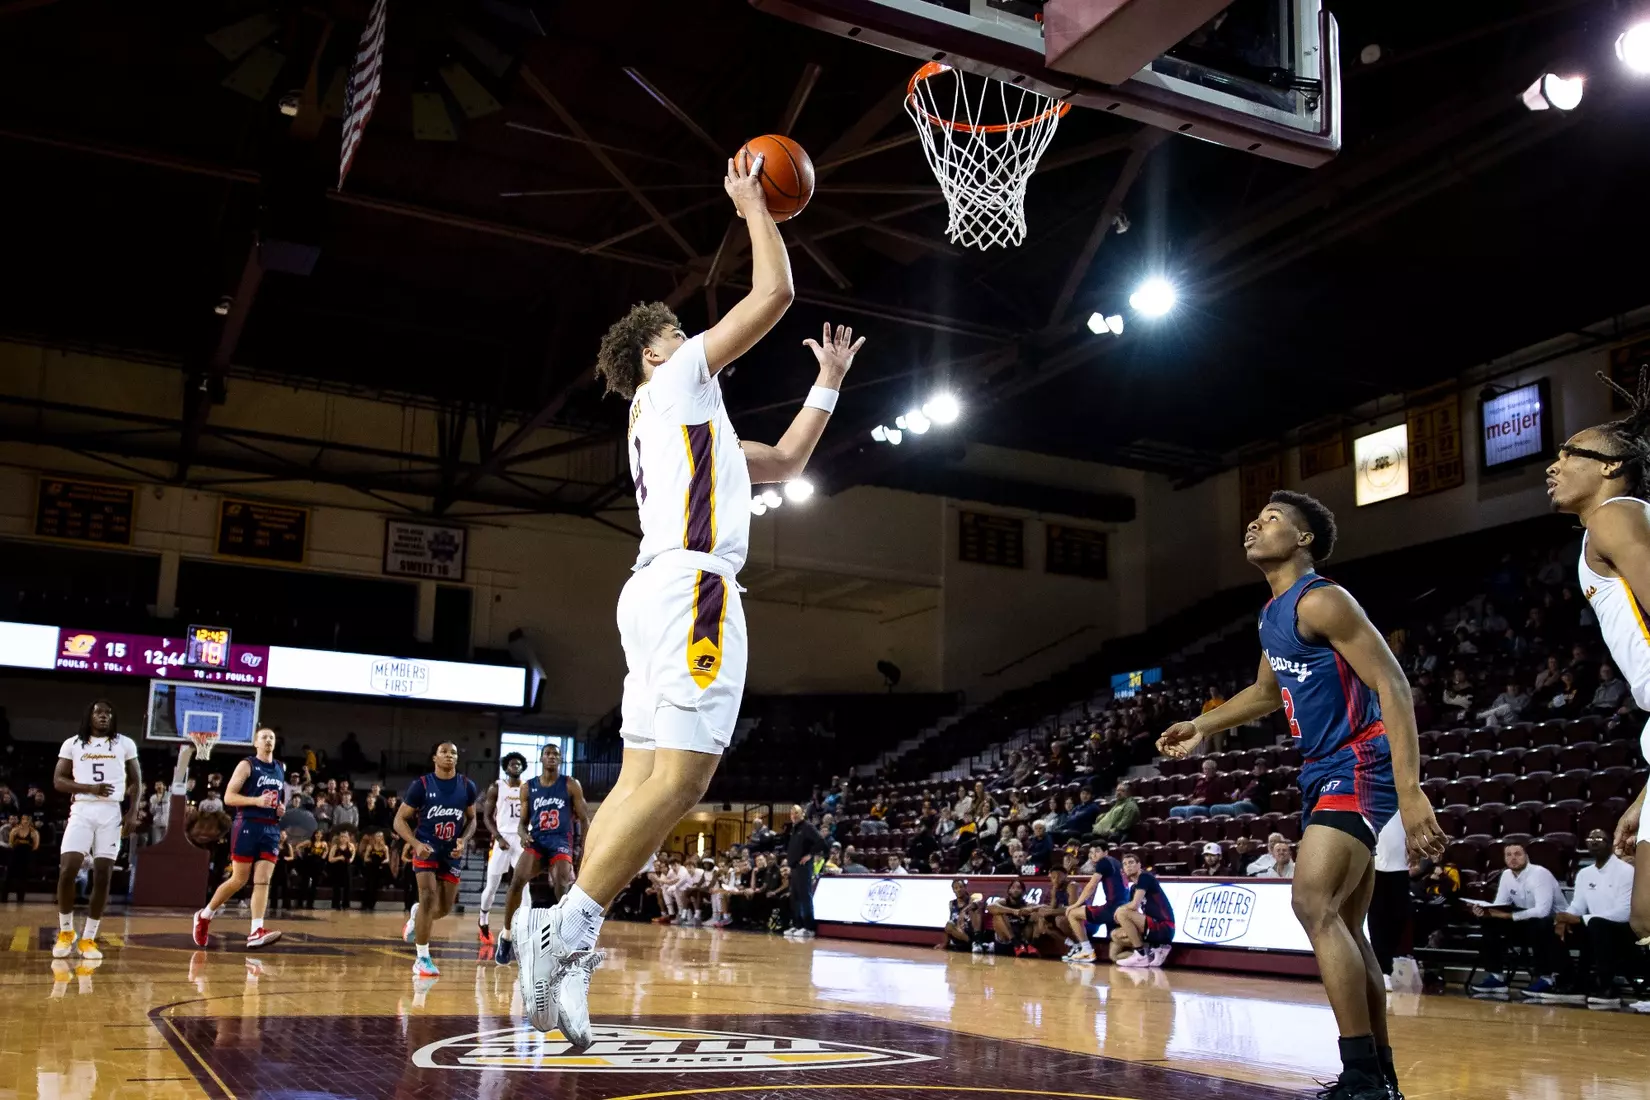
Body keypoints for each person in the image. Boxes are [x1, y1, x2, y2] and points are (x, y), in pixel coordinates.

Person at [514, 154, 869, 1046]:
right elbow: (774, 295)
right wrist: (755, 206)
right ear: (654, 350)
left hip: (656, 589)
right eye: (680, 332)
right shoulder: (671, 382)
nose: (694, 341)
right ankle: (565, 932)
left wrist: (828, 380)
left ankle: (562, 941)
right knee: (686, 778)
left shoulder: (683, 425)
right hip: (692, 588)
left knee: (641, 779)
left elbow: (785, 460)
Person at [1158, 491, 1445, 1100]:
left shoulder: (1322, 599)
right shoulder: (1273, 613)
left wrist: (1411, 788)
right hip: (1321, 767)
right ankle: (1379, 1078)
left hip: (1358, 760)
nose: (1254, 525)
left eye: (1271, 520)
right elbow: (1267, 694)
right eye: (1255, 518)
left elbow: (1392, 682)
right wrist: (1202, 724)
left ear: (1304, 538)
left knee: (1312, 902)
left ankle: (1361, 1076)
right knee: (1345, 924)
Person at [1545, 396, 1650, 975]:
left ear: (1610, 466)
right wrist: (1642, 798)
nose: (1553, 465)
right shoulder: (1611, 525)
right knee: (1645, 916)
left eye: (1569, 454)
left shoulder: (1615, 516)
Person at [52, 699, 141, 961]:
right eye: (99, 712)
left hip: (111, 812)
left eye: (108, 713)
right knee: (68, 870)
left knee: (103, 875)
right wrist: (90, 788)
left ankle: (88, 938)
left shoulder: (125, 743)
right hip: (82, 810)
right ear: (89, 717)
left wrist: (132, 812)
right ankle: (66, 932)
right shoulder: (72, 743)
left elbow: (137, 781)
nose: (104, 716)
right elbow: (58, 781)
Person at [192, 726, 287, 949]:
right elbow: (229, 797)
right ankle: (204, 916)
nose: (268, 740)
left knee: (263, 880)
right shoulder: (247, 765)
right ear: (256, 742)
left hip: (271, 828)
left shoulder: (280, 767)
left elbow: (277, 798)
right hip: (247, 825)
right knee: (239, 879)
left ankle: (256, 930)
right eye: (264, 737)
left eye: (272, 737)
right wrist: (256, 801)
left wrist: (280, 809)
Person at [498, 743, 588, 967]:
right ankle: (506, 936)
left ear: (560, 759)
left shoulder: (570, 784)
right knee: (517, 881)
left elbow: (584, 819)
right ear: (541, 758)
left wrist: (584, 850)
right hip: (538, 840)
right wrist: (522, 835)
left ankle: (566, 938)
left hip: (560, 841)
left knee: (561, 883)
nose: (552, 756)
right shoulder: (528, 787)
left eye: (556, 753)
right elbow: (522, 823)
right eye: (548, 753)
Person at [394, 742, 479, 979]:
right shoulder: (421, 785)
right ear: (434, 757)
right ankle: (422, 958)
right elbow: (399, 820)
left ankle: (416, 915)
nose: (449, 755)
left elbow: (472, 819)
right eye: (444, 752)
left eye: (453, 752)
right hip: (427, 848)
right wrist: (415, 844)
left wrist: (463, 840)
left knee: (442, 909)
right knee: (428, 897)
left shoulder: (467, 786)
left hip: (451, 852)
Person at [1552, 829, 1639, 1007]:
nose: (1594, 842)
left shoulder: (1626, 871)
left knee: (1596, 925)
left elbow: (1624, 912)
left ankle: (1606, 986)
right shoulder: (1584, 873)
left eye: (1599, 838)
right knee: (1551, 924)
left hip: (1623, 930)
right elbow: (1577, 905)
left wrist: (1583, 919)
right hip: (1594, 927)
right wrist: (1564, 918)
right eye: (1590, 838)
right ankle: (1573, 981)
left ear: (1611, 845)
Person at [1467, 842, 1564, 998]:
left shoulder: (1540, 874)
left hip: (1556, 924)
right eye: (1508, 855)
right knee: (1489, 922)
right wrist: (1484, 911)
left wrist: (1509, 916)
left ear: (1527, 856)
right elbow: (1500, 906)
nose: (1513, 858)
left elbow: (1543, 911)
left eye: (1517, 854)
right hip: (1526, 923)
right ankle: (1496, 976)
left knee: (1540, 923)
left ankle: (1547, 978)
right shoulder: (1506, 875)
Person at [476, 752, 528, 946]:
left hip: (521, 838)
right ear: (506, 767)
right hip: (502, 838)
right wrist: (498, 837)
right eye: (512, 764)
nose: (515, 766)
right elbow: (487, 817)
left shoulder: (528, 787)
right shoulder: (496, 787)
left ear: (523, 767)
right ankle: (483, 920)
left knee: (525, 885)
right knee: (492, 886)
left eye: (519, 764)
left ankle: (525, 928)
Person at [1060, 840, 1129, 964]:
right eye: (1091, 852)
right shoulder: (1116, 862)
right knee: (1114, 956)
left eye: (1097, 851)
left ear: (1106, 852)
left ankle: (1086, 950)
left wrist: (1076, 904)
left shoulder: (1103, 862)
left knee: (1073, 913)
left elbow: (1091, 886)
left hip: (1113, 909)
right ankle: (1144, 955)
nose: (1093, 855)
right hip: (1123, 909)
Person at [1111, 853, 1175, 968]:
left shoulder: (1145, 877)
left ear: (1139, 865)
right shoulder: (1133, 888)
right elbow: (1132, 912)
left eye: (1131, 862)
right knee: (1115, 935)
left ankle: (1141, 954)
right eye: (1125, 864)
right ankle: (1152, 949)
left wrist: (1119, 909)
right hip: (1151, 926)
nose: (1128, 866)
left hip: (1164, 927)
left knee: (1122, 913)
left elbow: (1134, 905)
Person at [5, 814, 40, 901]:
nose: (25, 821)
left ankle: (20, 899)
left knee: (22, 878)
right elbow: (11, 843)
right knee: (9, 877)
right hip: (15, 856)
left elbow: (35, 846)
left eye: (27, 819)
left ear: (30, 821)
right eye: (24, 819)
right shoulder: (15, 830)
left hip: (26, 857)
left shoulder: (34, 832)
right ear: (21, 820)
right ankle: (4, 898)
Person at [939, 878, 980, 951]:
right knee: (949, 924)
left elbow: (976, 903)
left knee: (975, 912)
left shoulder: (971, 900)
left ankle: (975, 943)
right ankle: (969, 944)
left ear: (965, 888)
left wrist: (963, 911)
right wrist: (945, 943)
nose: (959, 890)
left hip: (969, 933)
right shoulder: (952, 903)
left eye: (961, 887)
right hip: (957, 933)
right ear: (953, 890)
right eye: (956, 888)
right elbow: (950, 920)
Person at [358, 829, 391, 911]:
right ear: (375, 838)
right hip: (371, 868)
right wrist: (372, 861)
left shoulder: (385, 847)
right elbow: (366, 858)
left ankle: (371, 905)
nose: (379, 838)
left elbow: (387, 859)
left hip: (379, 868)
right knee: (369, 886)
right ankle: (365, 904)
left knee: (375, 887)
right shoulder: (370, 846)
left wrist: (382, 862)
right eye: (377, 836)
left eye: (380, 836)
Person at [328, 828, 357, 909]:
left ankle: (346, 904)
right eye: (341, 837)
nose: (343, 838)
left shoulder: (351, 846)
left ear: (348, 838)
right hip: (337, 868)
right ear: (339, 838)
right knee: (336, 887)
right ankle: (336, 904)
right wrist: (339, 858)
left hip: (347, 868)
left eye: (345, 837)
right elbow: (330, 859)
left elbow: (352, 857)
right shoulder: (335, 847)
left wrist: (349, 860)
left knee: (347, 887)